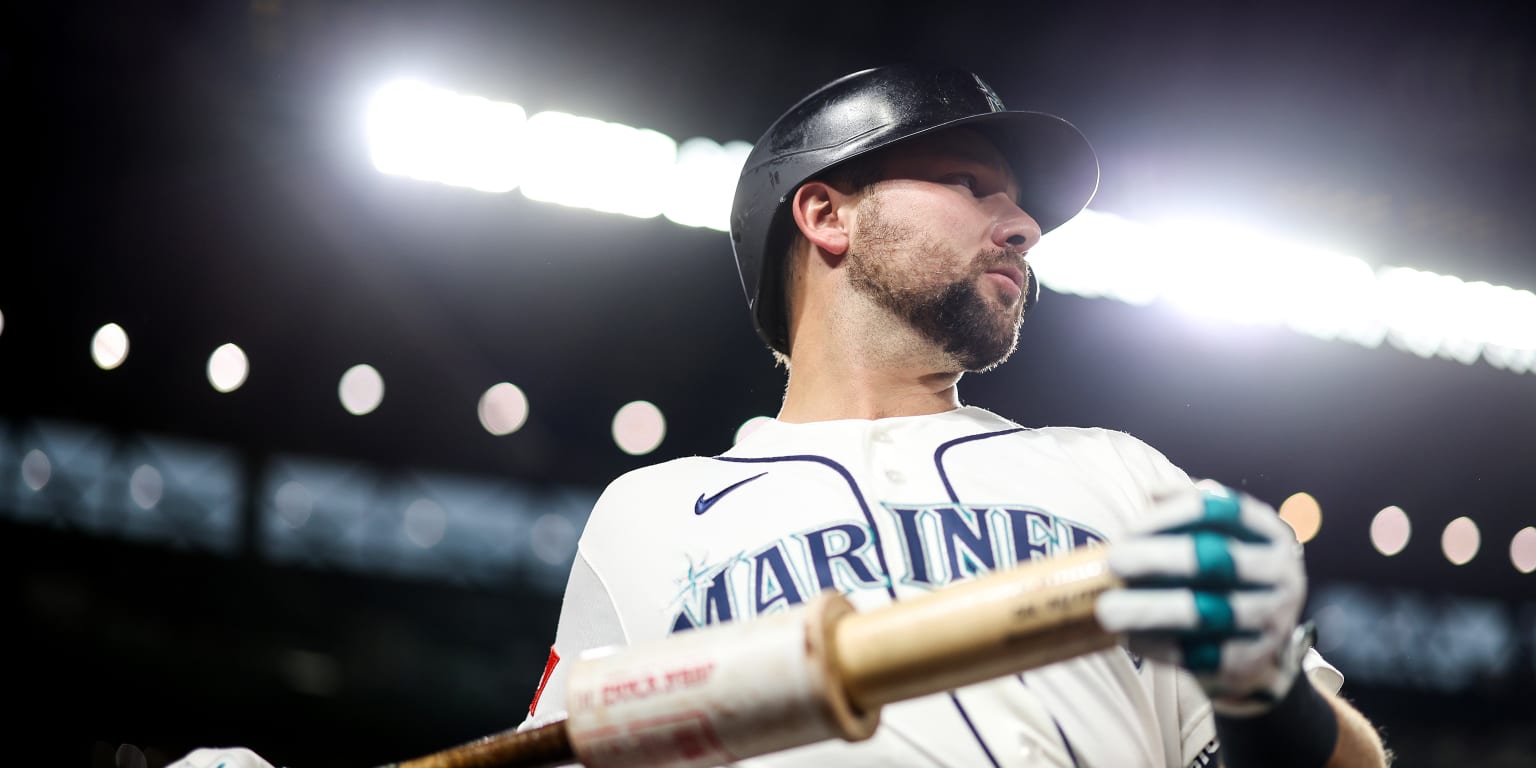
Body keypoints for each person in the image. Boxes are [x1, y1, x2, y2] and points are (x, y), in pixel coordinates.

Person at [167, 65, 1389, 768]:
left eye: (1019, 207)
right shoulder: (652, 517)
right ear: (826, 216)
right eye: (972, 186)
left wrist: (1268, 694)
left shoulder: (1121, 478)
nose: (1021, 225)